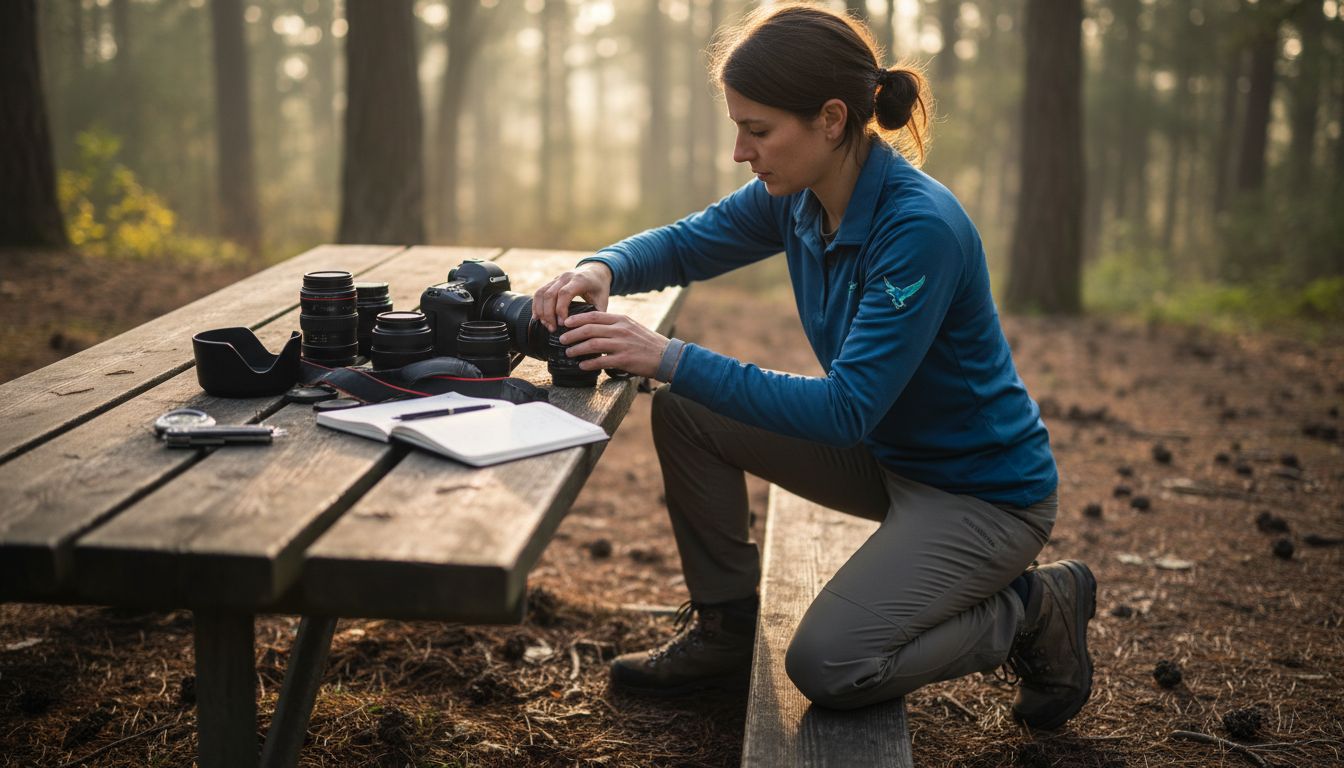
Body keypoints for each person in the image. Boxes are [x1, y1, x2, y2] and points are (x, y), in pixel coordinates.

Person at [530, 3, 1095, 730]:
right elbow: (688, 242)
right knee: (690, 410)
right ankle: (725, 632)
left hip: (980, 494)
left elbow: (843, 410)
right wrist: (603, 266)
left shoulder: (918, 229)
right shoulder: (794, 197)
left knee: (830, 665)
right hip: (886, 455)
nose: (741, 151)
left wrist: (667, 355)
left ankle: (1030, 611)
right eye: (739, 127)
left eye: (757, 130)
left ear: (831, 120)